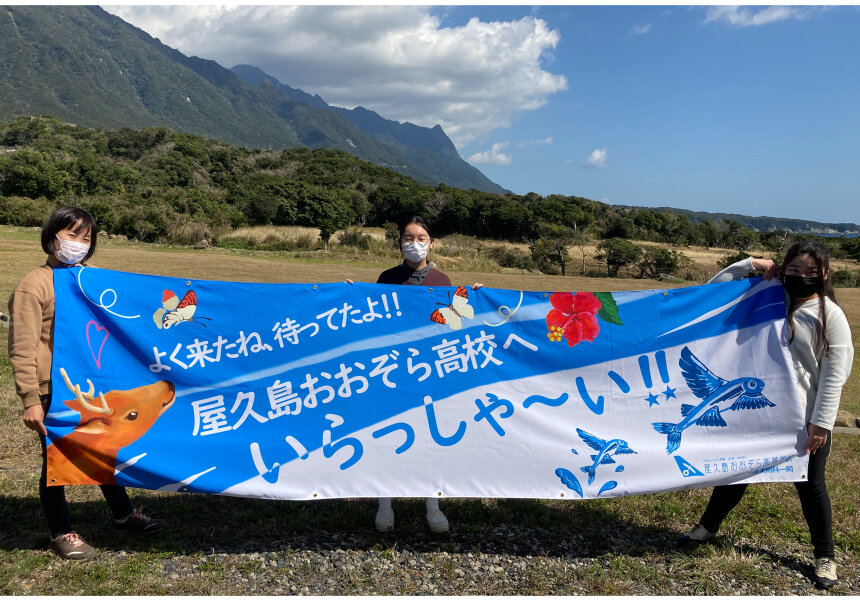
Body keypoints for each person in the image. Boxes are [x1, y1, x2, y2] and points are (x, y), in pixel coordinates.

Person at [680, 242, 854, 589]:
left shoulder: (828, 315)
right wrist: (748, 264)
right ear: (782, 269)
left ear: (824, 275)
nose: (801, 278)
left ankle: (825, 556)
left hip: (803, 419)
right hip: (756, 415)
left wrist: (820, 422)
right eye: (795, 270)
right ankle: (707, 528)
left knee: (811, 486)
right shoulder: (767, 297)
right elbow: (713, 294)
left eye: (810, 273)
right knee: (736, 473)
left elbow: (835, 373)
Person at [8, 206, 166, 561]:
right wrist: (31, 398)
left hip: (92, 385)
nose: (78, 243)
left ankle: (123, 515)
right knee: (57, 459)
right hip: (55, 390)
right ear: (51, 236)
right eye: (71, 234)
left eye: (86, 237)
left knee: (104, 449)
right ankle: (61, 531)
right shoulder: (33, 286)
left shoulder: (87, 280)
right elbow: (22, 347)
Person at [350, 216, 482, 533]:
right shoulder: (387, 277)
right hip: (391, 370)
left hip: (428, 371)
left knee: (428, 437)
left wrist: (476, 295)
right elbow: (373, 320)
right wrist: (352, 296)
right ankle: (385, 502)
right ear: (400, 243)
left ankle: (432, 504)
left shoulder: (441, 278)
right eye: (408, 237)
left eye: (421, 237)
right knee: (387, 432)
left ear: (431, 242)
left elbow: (453, 322)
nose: (414, 243)